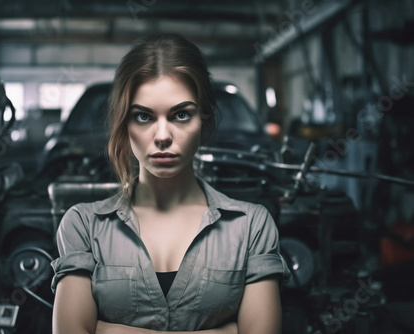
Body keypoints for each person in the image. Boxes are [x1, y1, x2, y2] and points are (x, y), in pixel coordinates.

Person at [51, 33, 289, 334]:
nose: (162, 136)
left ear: (203, 119)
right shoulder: (83, 225)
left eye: (180, 114)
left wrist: (106, 329)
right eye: (143, 117)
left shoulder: (251, 226)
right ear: (124, 124)